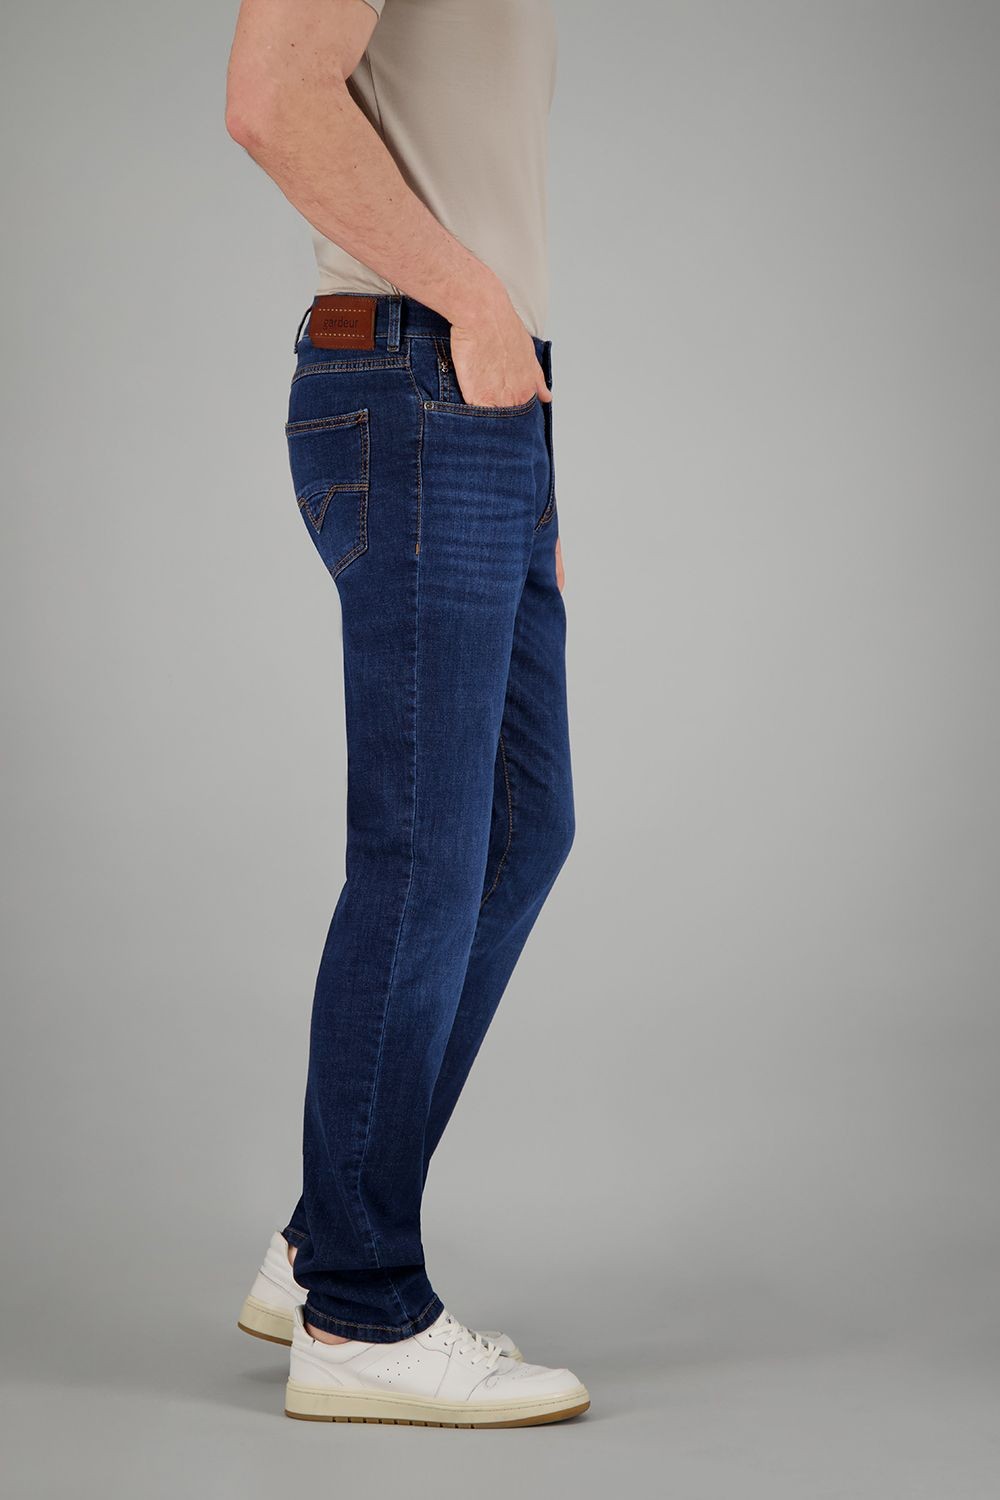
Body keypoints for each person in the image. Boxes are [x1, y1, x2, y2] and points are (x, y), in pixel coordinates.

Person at [226, 0, 585, 1428]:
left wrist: (530, 438)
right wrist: (478, 308)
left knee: (521, 826)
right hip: (418, 374)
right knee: (425, 855)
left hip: (485, 400)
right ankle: (361, 1312)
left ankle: (325, 1234)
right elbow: (271, 99)